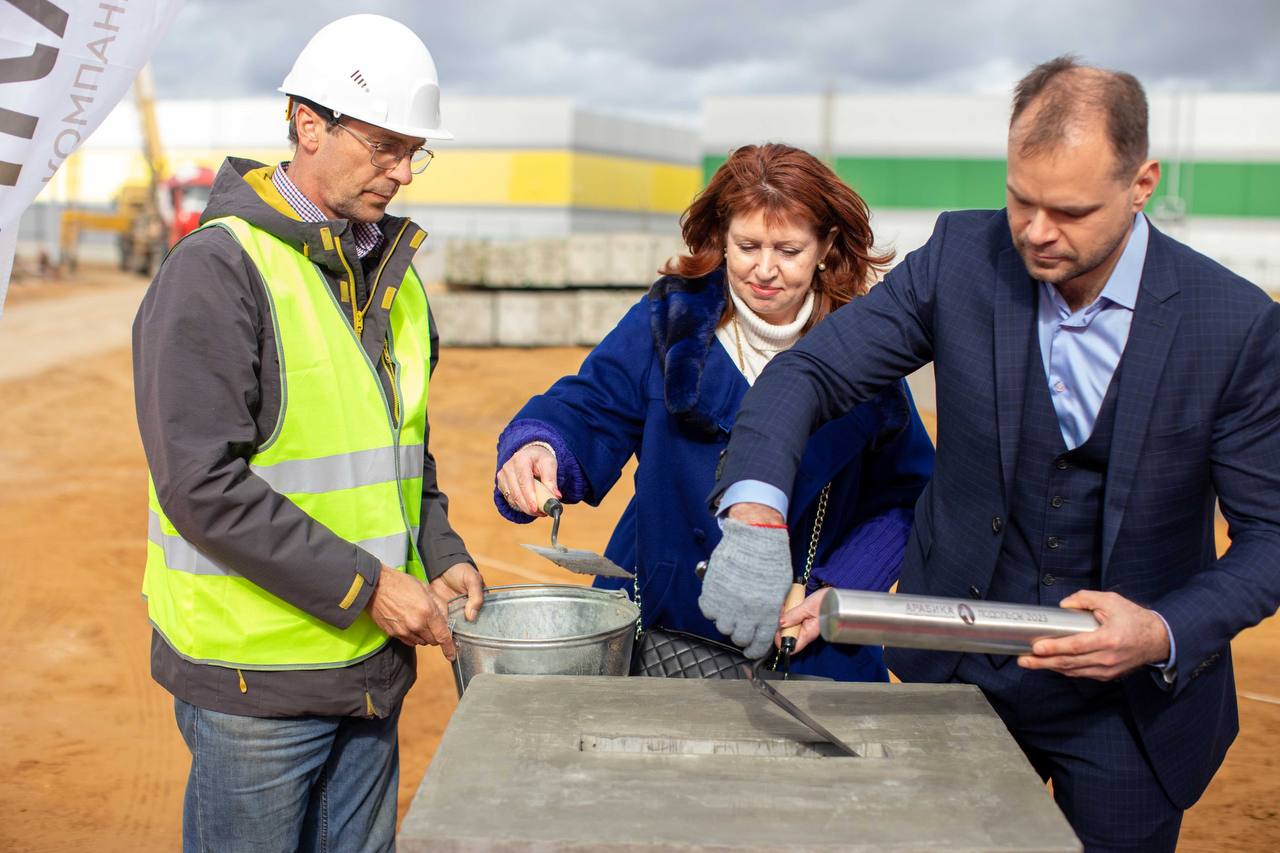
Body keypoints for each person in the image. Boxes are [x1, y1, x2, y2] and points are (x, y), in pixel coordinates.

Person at [701, 56, 1280, 851]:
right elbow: (812, 371)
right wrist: (757, 510)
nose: (1037, 231)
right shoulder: (960, 257)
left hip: (1130, 712)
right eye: (1021, 199)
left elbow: (1271, 537)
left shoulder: (1236, 325)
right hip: (958, 676)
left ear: (1142, 183)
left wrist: (1160, 629)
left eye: (1070, 210)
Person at [132, 15, 483, 852]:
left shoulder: (390, 277)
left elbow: (402, 449)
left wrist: (441, 548)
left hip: (367, 672)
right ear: (307, 123)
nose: (402, 173)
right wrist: (371, 586)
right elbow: (200, 485)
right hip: (258, 681)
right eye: (385, 146)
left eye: (414, 151)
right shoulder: (218, 271)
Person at [494, 143, 934, 681]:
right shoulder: (669, 318)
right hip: (657, 628)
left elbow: (906, 495)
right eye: (747, 245)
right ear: (721, 237)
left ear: (826, 246)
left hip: (801, 648)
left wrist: (834, 591)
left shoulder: (865, 347)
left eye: (789, 250)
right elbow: (593, 404)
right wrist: (543, 446)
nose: (764, 270)